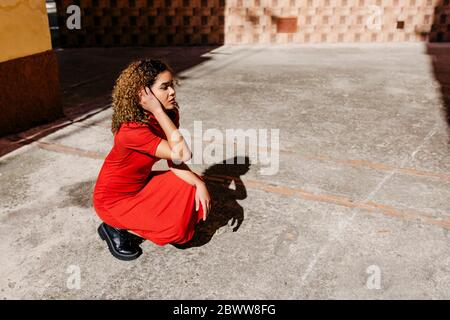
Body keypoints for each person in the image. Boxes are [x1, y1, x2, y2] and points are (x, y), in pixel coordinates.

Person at [93, 58, 211, 261]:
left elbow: (175, 160)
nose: (172, 92)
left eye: (172, 85)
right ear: (143, 94)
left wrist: (199, 183)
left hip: (141, 185)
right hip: (113, 200)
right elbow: (183, 153)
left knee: (192, 183)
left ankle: (145, 218)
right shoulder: (131, 130)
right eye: (164, 87)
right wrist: (157, 110)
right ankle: (113, 226)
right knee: (177, 232)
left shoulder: (169, 115)